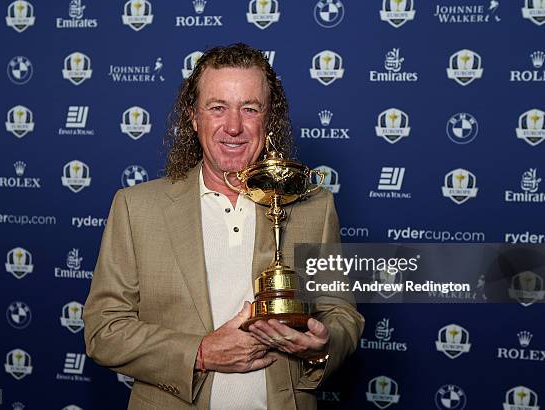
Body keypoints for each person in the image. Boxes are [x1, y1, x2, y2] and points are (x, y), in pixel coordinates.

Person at [83, 43, 364, 410]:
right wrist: (200, 353)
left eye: (250, 108)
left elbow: (342, 314)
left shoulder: (314, 206)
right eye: (218, 108)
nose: (234, 126)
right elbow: (104, 331)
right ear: (193, 117)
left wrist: (323, 346)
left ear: (268, 118)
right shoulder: (137, 208)